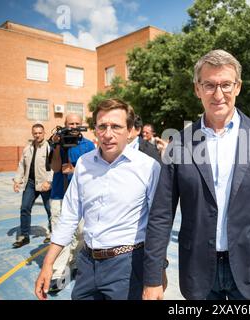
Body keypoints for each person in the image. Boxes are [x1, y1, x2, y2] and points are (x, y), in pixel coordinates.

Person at [142, 49, 250, 300]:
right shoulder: (179, 144)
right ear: (197, 89)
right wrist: (153, 277)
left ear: (238, 87)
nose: (218, 94)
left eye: (226, 85)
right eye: (209, 85)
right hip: (198, 271)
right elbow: (161, 214)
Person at [35, 99, 161, 300]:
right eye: (102, 126)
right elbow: (69, 216)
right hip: (87, 263)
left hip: (128, 266)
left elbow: (158, 224)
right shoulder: (84, 164)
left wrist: (157, 274)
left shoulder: (148, 167)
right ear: (95, 130)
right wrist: (48, 264)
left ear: (130, 131)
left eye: (116, 126)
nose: (108, 134)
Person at [48, 113, 95, 291]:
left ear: (81, 125)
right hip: (60, 195)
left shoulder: (88, 145)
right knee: (60, 234)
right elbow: (54, 167)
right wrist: (58, 146)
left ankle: (74, 263)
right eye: (70, 123)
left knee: (81, 234)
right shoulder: (57, 143)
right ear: (64, 125)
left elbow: (93, 172)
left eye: (77, 123)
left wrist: (75, 170)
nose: (74, 126)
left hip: (82, 197)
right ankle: (57, 274)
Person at [12, 123, 53, 248]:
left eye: (40, 132)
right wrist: (17, 180)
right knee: (24, 207)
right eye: (35, 133)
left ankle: (53, 233)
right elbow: (22, 165)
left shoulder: (50, 147)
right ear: (32, 134)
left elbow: (54, 166)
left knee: (50, 209)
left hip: (45, 183)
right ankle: (24, 236)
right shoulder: (27, 148)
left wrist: (49, 181)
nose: (37, 135)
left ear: (44, 133)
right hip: (30, 183)